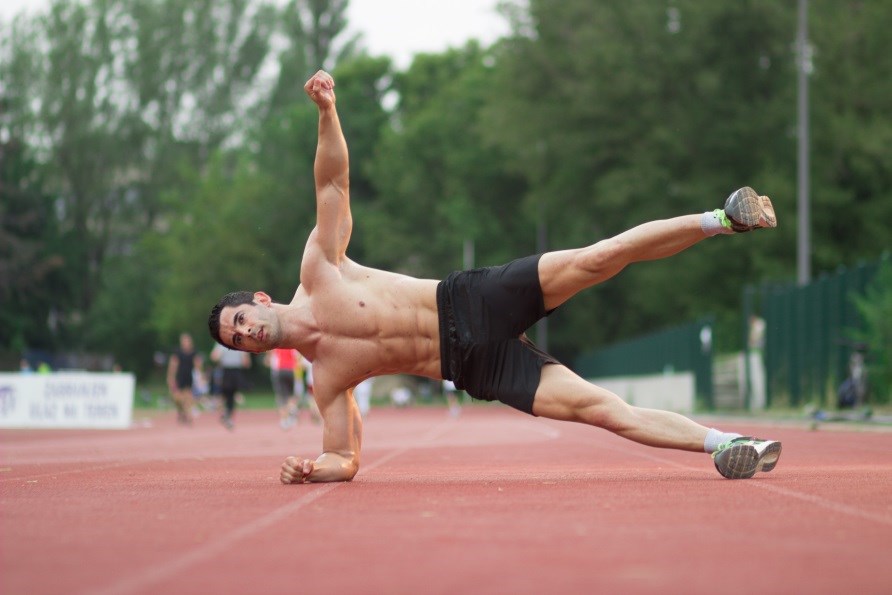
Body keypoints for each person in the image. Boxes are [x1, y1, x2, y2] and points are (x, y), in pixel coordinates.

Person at [208, 70, 783, 483]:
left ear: (258, 300)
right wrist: (313, 470)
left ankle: (723, 218)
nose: (247, 334)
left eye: (241, 321)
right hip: (474, 367)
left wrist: (328, 113)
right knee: (602, 411)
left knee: (596, 258)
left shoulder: (318, 269)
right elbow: (346, 459)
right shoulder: (325, 382)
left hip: (468, 302)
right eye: (238, 341)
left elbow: (332, 184)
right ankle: (729, 445)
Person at [210, 342, 251, 430]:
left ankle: (227, 415)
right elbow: (246, 362)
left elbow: (214, 357)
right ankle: (227, 415)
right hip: (230, 371)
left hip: (230, 371)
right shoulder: (238, 342)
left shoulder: (224, 342)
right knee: (229, 394)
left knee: (230, 394)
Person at [166, 333, 201, 425]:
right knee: (177, 398)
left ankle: (187, 415)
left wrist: (200, 377)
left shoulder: (194, 352)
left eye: (187, 341)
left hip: (189, 377)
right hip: (179, 377)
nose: (186, 343)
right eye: (184, 341)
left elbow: (198, 365)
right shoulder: (177, 352)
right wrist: (170, 377)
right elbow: (173, 365)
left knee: (188, 397)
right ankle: (182, 412)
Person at [265, 348, 300, 429]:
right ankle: (292, 409)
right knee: (290, 395)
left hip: (280, 370)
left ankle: (284, 420)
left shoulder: (277, 347)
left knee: (281, 396)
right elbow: (297, 358)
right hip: (291, 370)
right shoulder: (292, 347)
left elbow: (269, 358)